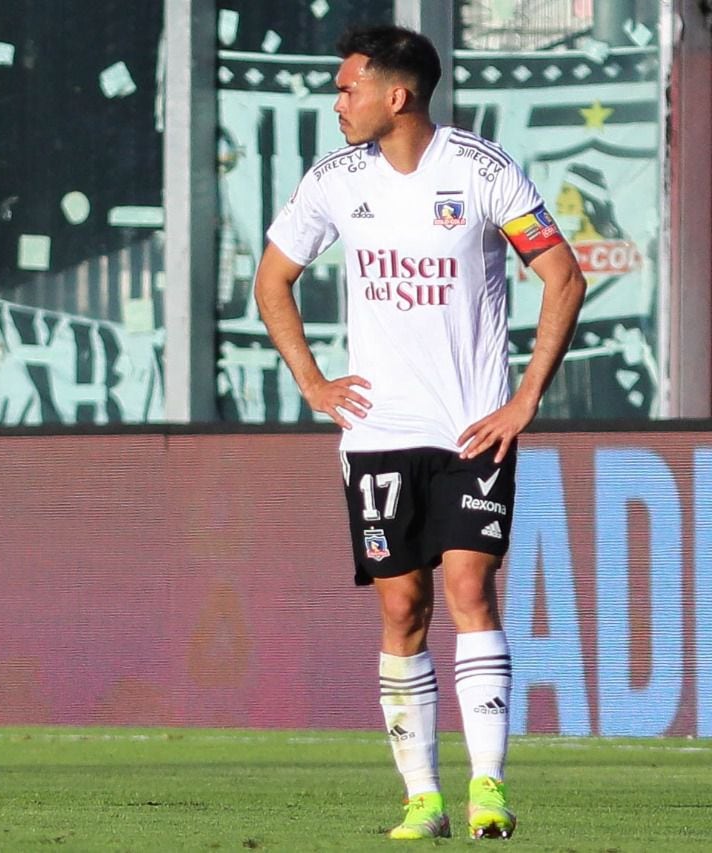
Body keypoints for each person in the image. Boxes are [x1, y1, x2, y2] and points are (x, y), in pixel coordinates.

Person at [253, 26, 586, 841]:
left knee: (471, 589)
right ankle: (421, 797)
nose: (337, 101)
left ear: (394, 95)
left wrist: (525, 398)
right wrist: (313, 382)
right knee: (403, 607)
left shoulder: (480, 170)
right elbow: (273, 281)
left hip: (473, 427)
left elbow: (563, 275)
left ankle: (488, 790)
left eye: (346, 87)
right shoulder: (335, 180)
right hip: (376, 436)